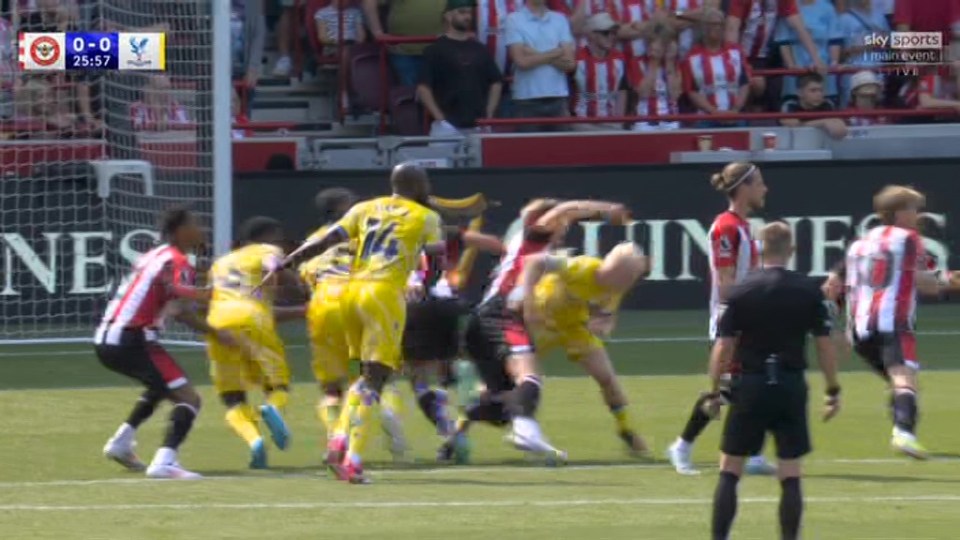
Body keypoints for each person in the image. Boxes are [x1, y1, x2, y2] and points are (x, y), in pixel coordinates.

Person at [268, 164, 445, 484]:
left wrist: (290, 260)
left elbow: (326, 241)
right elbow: (436, 259)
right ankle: (353, 460)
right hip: (384, 294)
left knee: (363, 377)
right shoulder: (426, 217)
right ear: (419, 185)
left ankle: (338, 442)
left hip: (352, 292)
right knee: (377, 378)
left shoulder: (364, 208)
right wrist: (425, 285)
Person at [453, 197, 629, 461]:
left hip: (481, 320)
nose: (563, 232)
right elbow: (565, 210)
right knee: (530, 378)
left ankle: (456, 434)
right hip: (503, 312)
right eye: (562, 227)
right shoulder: (534, 237)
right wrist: (608, 213)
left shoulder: (526, 246)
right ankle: (526, 432)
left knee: (505, 402)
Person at [707, 221, 841, 540]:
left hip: (750, 385)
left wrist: (712, 391)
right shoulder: (809, 290)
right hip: (790, 385)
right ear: (792, 251)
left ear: (759, 250)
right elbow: (824, 344)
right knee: (790, 471)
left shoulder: (742, 291)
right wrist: (833, 389)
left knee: (730, 469)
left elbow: (724, 346)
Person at [97, 206, 236, 480]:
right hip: (133, 339)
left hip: (108, 338)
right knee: (189, 398)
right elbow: (182, 307)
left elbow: (176, 305)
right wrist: (216, 327)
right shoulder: (178, 261)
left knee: (160, 385)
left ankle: (121, 443)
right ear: (181, 231)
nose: (201, 229)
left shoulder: (154, 255)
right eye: (195, 224)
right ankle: (165, 461)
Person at [667, 161, 776, 476]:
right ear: (744, 187)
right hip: (733, 320)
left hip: (746, 319)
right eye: (759, 183)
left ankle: (750, 453)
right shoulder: (726, 227)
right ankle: (683, 445)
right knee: (732, 388)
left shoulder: (742, 226)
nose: (764, 188)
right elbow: (727, 281)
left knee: (751, 385)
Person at [844, 185, 960, 459]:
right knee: (904, 379)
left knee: (903, 383)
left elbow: (848, 283)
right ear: (899, 212)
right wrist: (950, 282)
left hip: (859, 328)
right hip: (892, 321)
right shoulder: (908, 239)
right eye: (913, 208)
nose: (918, 214)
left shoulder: (861, 243)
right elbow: (925, 283)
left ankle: (903, 428)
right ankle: (904, 433)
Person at [520, 243, 651, 455]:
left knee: (607, 378)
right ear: (615, 270)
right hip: (543, 320)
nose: (630, 283)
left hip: (574, 328)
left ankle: (625, 429)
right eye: (628, 277)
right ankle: (461, 430)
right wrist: (529, 306)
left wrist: (602, 326)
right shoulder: (580, 268)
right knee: (515, 377)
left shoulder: (615, 288)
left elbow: (608, 318)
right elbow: (533, 261)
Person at [206, 217, 304, 470]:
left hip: (218, 322)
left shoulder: (220, 264)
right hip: (253, 320)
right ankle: (272, 409)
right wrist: (280, 269)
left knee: (232, 397)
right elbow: (271, 262)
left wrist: (302, 309)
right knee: (277, 386)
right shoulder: (266, 250)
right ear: (269, 237)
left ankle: (254, 441)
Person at [418, 0, 504, 139]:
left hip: (478, 126)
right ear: (448, 16)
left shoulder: (480, 49)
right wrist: (441, 119)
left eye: (469, 12)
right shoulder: (434, 50)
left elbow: (496, 82)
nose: (467, 16)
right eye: (462, 12)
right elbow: (423, 88)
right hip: (446, 128)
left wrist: (488, 115)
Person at [505, 0, 576, 131]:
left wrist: (534, 53)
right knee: (528, 150)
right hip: (526, 98)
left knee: (560, 150)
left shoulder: (560, 19)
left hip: (558, 97)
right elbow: (522, 62)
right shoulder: (513, 19)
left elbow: (570, 64)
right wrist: (556, 53)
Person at [682, 8, 751, 126]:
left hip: (736, 115)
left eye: (720, 24)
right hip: (706, 118)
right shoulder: (692, 56)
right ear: (704, 28)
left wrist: (735, 110)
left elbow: (745, 83)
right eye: (713, 24)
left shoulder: (736, 51)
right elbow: (691, 91)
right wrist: (713, 112)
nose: (717, 28)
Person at [775, 0, 844, 103]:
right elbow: (783, 41)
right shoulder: (788, 5)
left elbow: (834, 40)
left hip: (822, 67)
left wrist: (833, 63)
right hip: (796, 69)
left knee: (827, 110)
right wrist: (791, 65)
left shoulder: (827, 8)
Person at [571, 13, 629, 131]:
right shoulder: (577, 59)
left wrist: (620, 120)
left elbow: (622, 91)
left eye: (613, 33)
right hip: (582, 123)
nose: (610, 37)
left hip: (612, 122)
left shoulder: (619, 59)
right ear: (592, 34)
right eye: (605, 33)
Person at [631, 26, 682, 131]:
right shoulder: (637, 62)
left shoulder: (673, 64)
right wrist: (654, 62)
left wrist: (669, 62)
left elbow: (675, 95)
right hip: (645, 122)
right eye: (652, 42)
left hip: (670, 122)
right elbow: (643, 93)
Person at [779, 73, 849, 139]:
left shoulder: (828, 104)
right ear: (799, 93)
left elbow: (838, 128)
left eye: (821, 90)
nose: (819, 94)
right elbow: (794, 125)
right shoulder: (789, 105)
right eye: (813, 91)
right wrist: (823, 123)